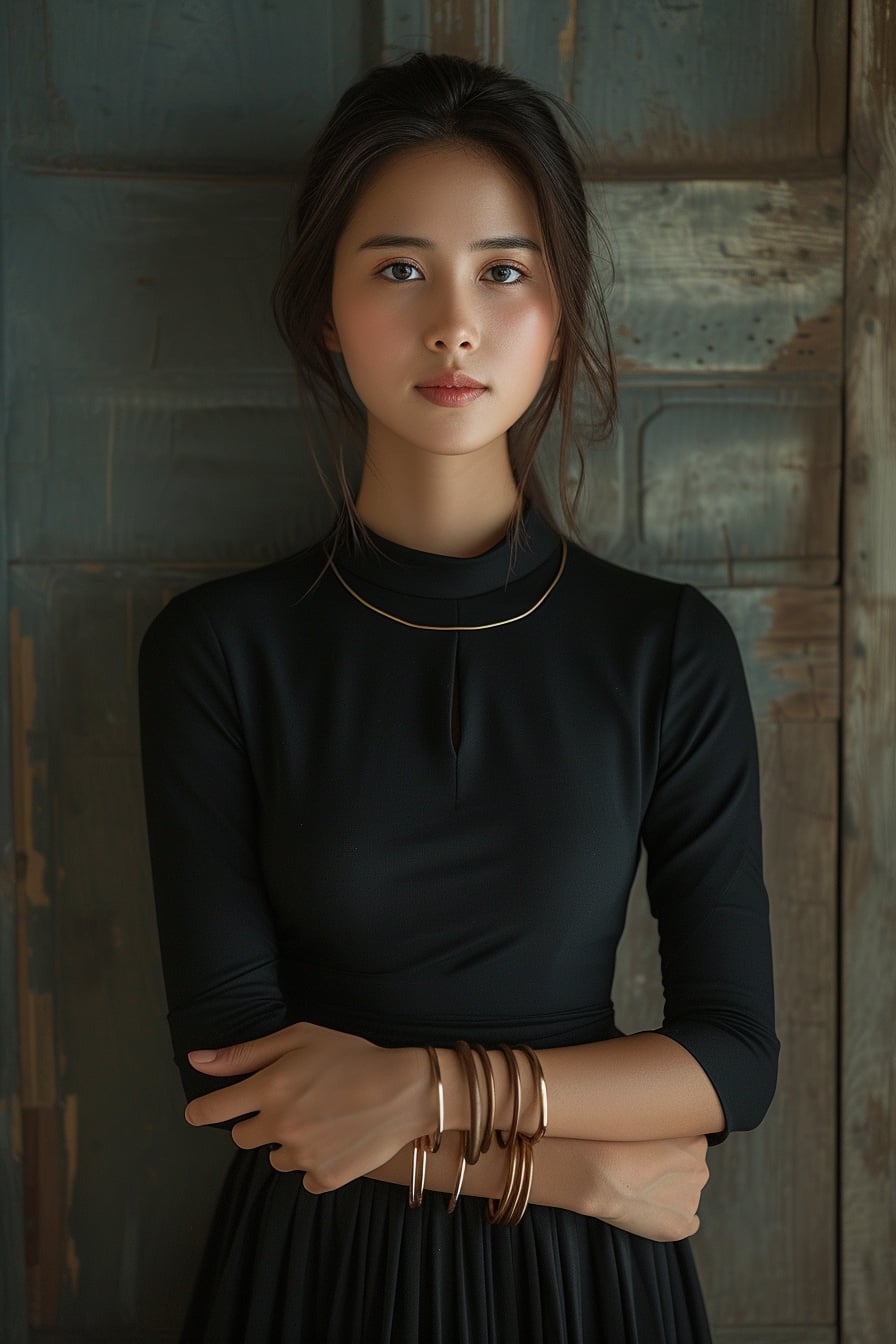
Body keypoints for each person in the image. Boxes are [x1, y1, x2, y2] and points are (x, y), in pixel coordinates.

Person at [137, 50, 779, 1344]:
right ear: (325, 307)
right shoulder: (219, 649)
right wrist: (562, 1170)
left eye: (503, 269)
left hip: (594, 1293)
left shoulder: (666, 648)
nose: (452, 323)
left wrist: (417, 1091)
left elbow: (733, 1063)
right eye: (396, 268)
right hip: (325, 1266)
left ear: (561, 306)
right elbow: (230, 1073)